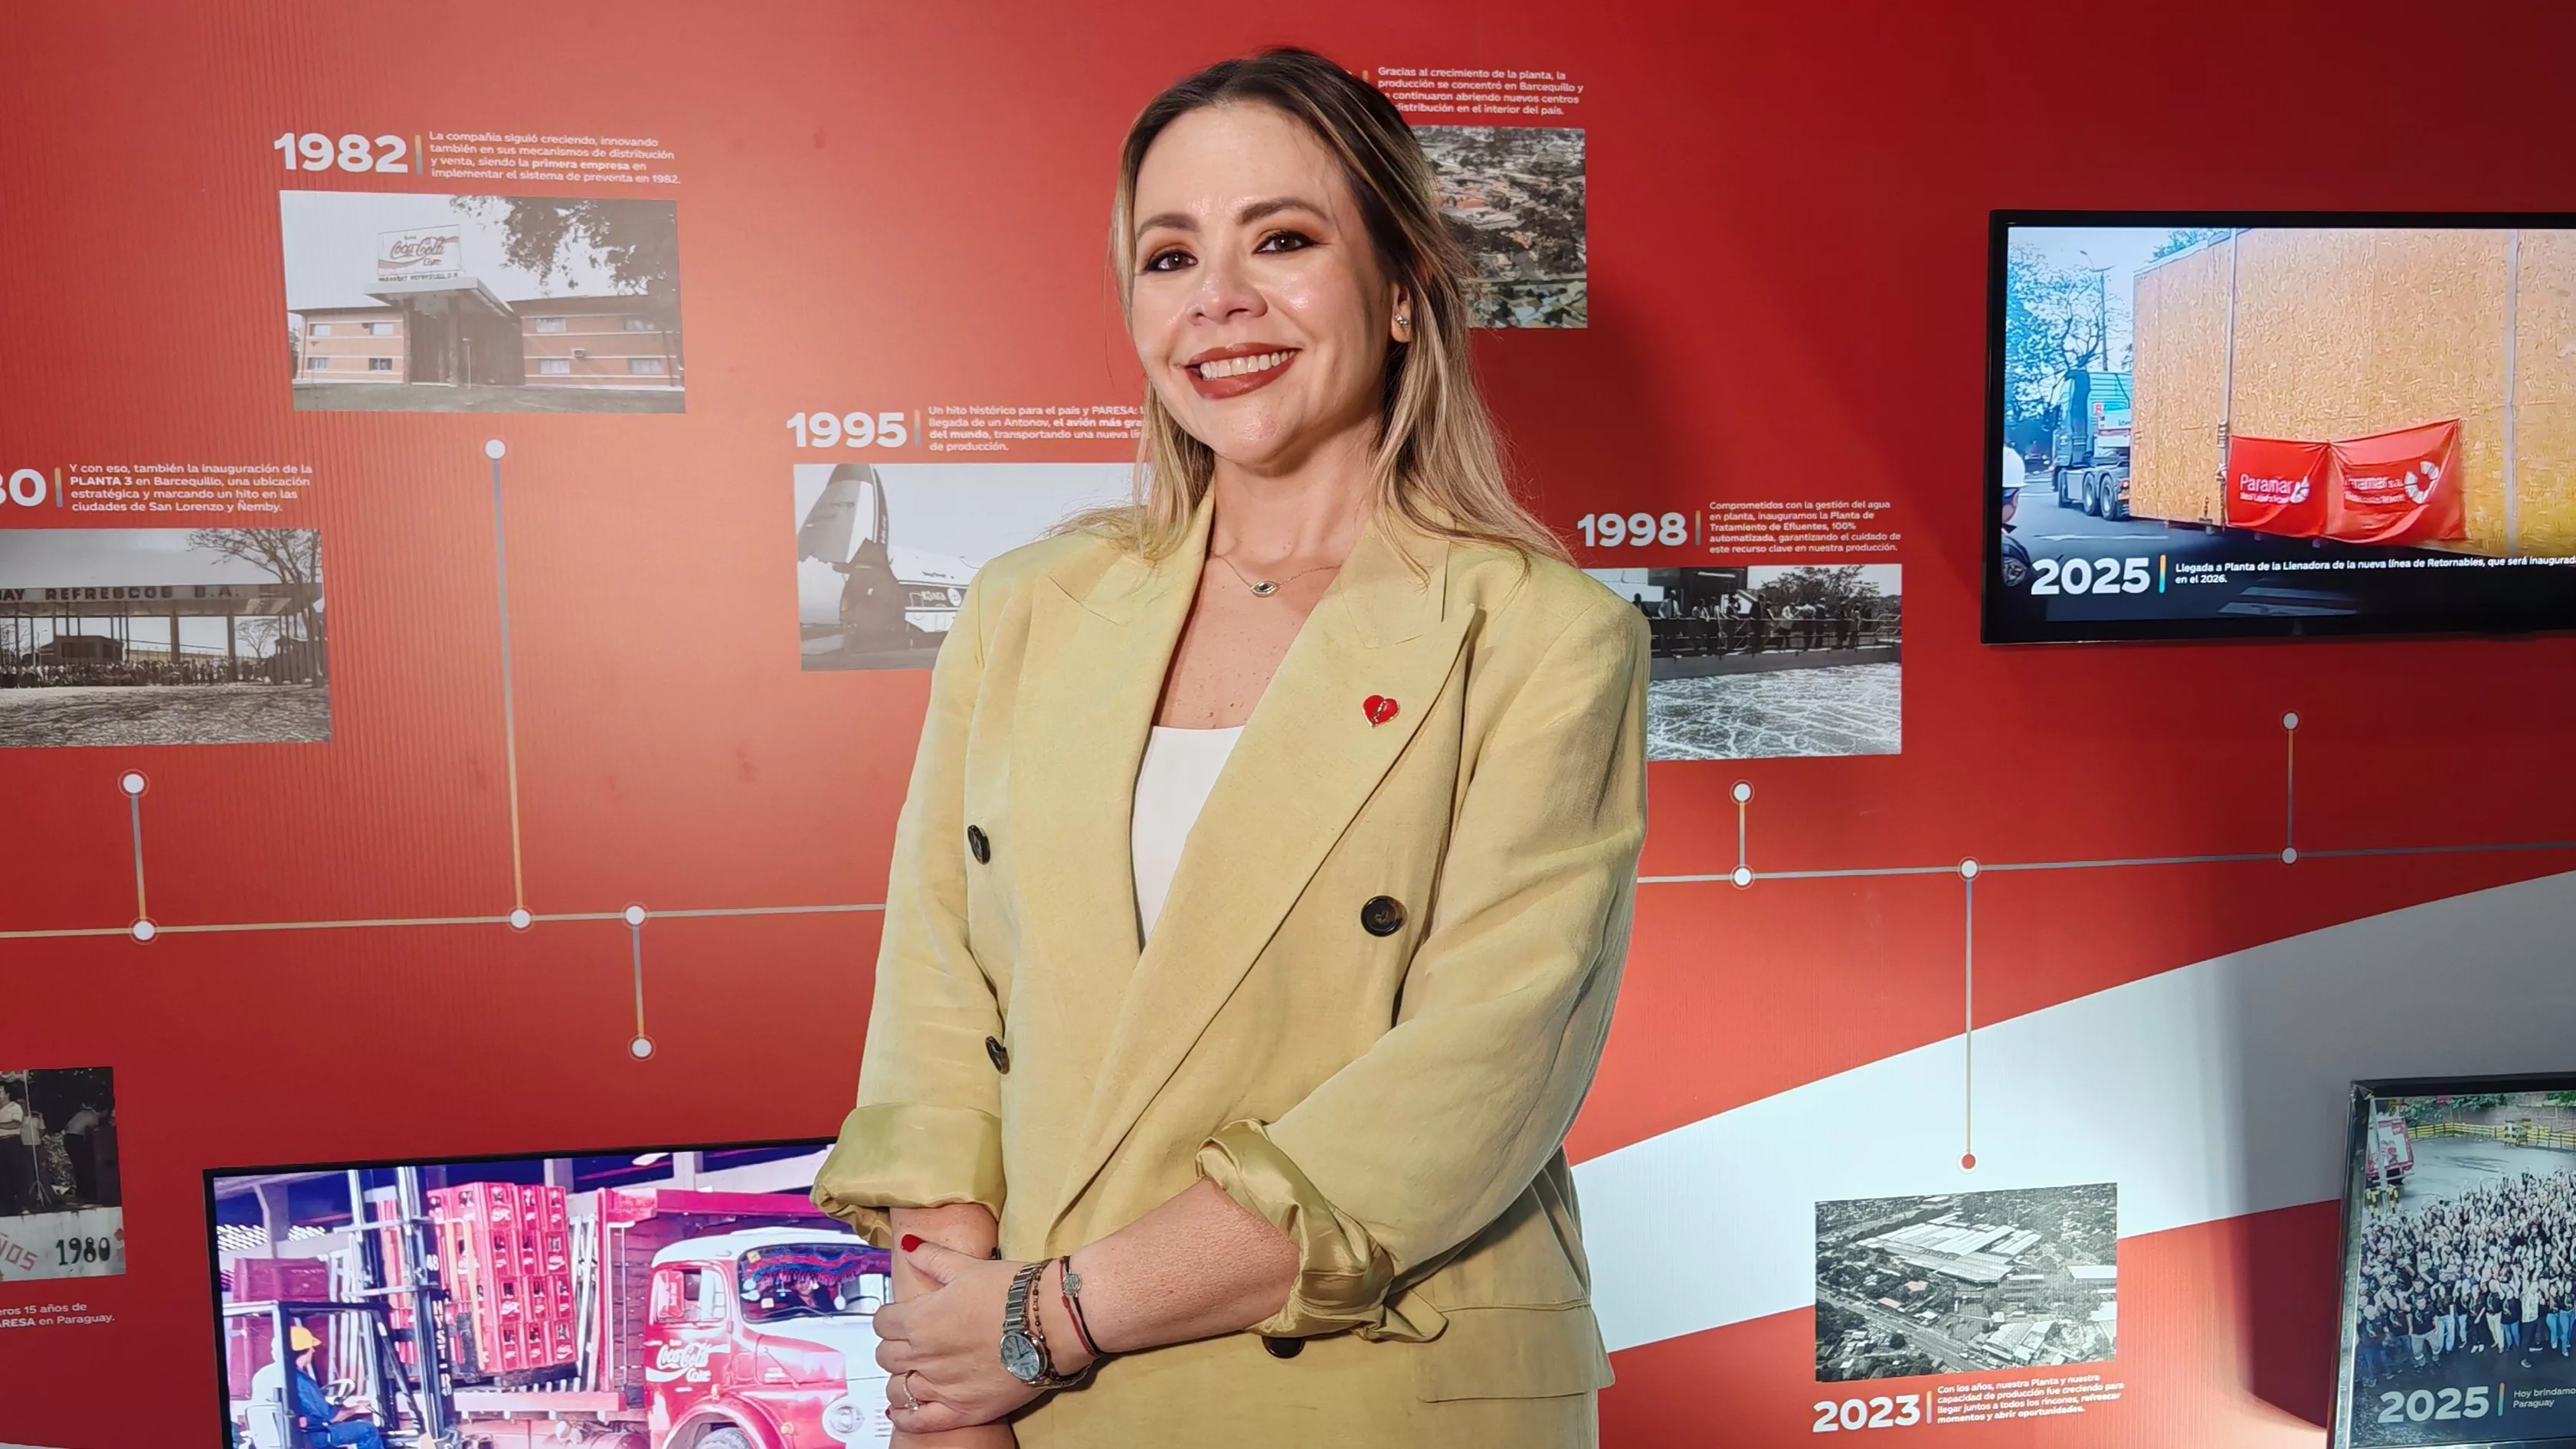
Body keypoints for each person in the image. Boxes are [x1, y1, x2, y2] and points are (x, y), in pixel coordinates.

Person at [813, 47, 1647, 1449]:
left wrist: (1049, 1318)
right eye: (1169, 256)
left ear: (1399, 288)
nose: (1217, 299)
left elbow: (1471, 1077)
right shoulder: (1026, 609)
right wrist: (950, 1380)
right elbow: (937, 1007)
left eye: (1282, 239)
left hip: (1377, 1385)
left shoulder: (1544, 638)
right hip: (1031, 1399)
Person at [248, 1326, 384, 1449]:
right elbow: (331, 1417)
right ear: (303, 1351)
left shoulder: (262, 1374)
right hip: (309, 1436)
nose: (313, 1350)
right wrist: (356, 1408)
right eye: (311, 1347)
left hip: (276, 1437)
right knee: (367, 1429)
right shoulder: (298, 1378)